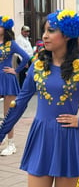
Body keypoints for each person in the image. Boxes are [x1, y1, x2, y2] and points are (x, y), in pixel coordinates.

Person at [0, 10, 79, 187]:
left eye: (51, 31)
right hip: (40, 137)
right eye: (45, 31)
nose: (45, 36)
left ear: (67, 35)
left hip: (68, 138)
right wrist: (2, 132)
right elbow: (20, 103)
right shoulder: (38, 65)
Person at [0, 16, 29, 156]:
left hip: (7, 78)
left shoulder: (11, 44)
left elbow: (26, 57)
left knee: (8, 114)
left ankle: (11, 144)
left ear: (5, 29)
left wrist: (15, 70)